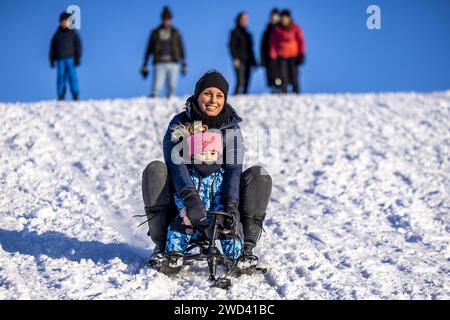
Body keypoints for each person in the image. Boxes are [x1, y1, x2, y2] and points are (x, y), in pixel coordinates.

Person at [141, 71, 272, 272]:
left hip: (220, 204)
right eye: (207, 94)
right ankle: (162, 248)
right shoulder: (180, 123)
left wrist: (230, 205)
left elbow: (233, 169)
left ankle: (244, 251)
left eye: (219, 95)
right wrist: (190, 198)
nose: (213, 100)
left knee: (259, 175)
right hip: (184, 207)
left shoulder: (231, 128)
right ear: (197, 95)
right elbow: (175, 164)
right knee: (155, 170)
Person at [141, 6, 187, 98]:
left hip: (173, 62)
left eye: (168, 19)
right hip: (159, 63)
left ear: (171, 19)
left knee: (172, 88)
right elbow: (148, 49)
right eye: (165, 19)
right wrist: (145, 64)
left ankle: (170, 108)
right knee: (156, 88)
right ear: (161, 19)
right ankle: (153, 106)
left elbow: (181, 48)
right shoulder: (155, 32)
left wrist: (184, 64)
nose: (166, 21)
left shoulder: (176, 32)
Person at [269, 9, 306, 93]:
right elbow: (273, 43)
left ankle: (296, 91)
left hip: (294, 55)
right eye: (282, 18)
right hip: (282, 56)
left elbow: (301, 41)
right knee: (283, 75)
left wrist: (302, 54)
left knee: (294, 75)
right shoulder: (277, 29)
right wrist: (273, 55)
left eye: (285, 18)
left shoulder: (296, 28)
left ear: (289, 18)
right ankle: (284, 92)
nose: (284, 20)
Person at [49, 12, 82, 101]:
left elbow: (78, 45)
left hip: (70, 58)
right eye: (63, 21)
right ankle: (61, 95)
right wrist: (51, 59)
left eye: (66, 21)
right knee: (61, 77)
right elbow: (52, 48)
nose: (64, 23)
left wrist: (78, 58)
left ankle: (75, 94)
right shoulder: (57, 35)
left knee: (72, 76)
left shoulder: (72, 33)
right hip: (60, 59)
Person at [228, 12, 257, 95]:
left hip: (248, 61)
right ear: (238, 20)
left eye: (246, 19)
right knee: (240, 81)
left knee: (247, 82)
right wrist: (235, 58)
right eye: (243, 19)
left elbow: (251, 49)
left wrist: (254, 61)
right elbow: (231, 46)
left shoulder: (248, 34)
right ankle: (235, 98)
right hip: (238, 60)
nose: (245, 21)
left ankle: (245, 99)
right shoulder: (234, 32)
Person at [261, 8, 281, 92]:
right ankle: (274, 88)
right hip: (269, 57)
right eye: (272, 17)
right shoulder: (267, 30)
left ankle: (280, 88)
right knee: (271, 75)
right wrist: (263, 59)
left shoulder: (281, 29)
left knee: (280, 74)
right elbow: (262, 46)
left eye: (275, 17)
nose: (273, 19)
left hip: (280, 57)